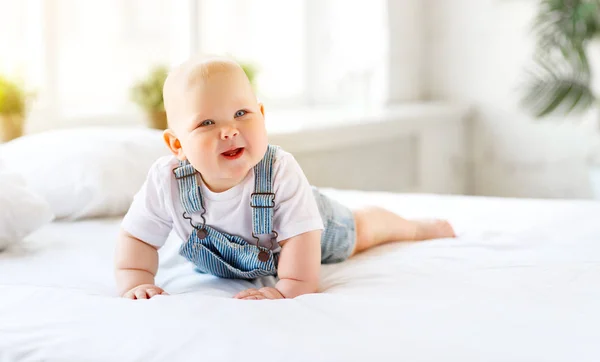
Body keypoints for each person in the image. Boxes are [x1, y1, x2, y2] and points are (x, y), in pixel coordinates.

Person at [114, 56, 456, 300]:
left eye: (241, 113)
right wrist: (136, 280)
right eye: (207, 123)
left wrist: (288, 287)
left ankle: (413, 227)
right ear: (177, 144)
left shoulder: (278, 169)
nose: (229, 130)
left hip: (306, 233)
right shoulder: (167, 182)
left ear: (261, 117)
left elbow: (303, 243)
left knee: (362, 230)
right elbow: (138, 238)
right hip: (234, 264)